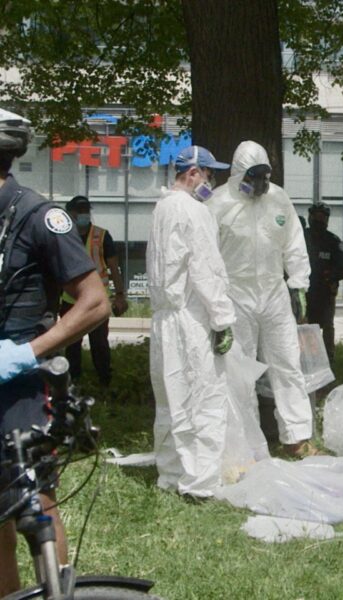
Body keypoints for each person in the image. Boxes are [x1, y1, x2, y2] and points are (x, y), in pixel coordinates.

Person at [0, 108, 110, 595]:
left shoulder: (39, 216)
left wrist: (24, 354)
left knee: (34, 501)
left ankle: (53, 593)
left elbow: (94, 302)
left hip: (20, 381)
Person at [207, 140, 317, 458]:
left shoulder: (278, 198)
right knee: (239, 372)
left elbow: (293, 242)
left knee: (287, 363)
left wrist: (298, 283)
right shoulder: (218, 204)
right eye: (252, 178)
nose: (259, 186)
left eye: (263, 178)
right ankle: (247, 443)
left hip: (273, 291)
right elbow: (207, 258)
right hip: (235, 293)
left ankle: (296, 437)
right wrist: (215, 305)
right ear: (238, 174)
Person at [147, 145, 236, 498]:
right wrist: (222, 319)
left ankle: (171, 474)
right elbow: (206, 270)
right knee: (204, 399)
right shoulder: (194, 212)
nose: (212, 182)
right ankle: (200, 483)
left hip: (164, 318)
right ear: (194, 173)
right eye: (210, 174)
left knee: (170, 398)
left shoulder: (162, 208)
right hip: (192, 316)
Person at [59, 195, 128, 385]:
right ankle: (73, 384)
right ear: (70, 213)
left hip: (97, 300)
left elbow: (114, 268)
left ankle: (105, 381)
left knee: (99, 344)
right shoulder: (63, 235)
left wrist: (120, 295)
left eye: (85, 210)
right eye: (79, 211)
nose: (83, 214)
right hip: (70, 300)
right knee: (71, 344)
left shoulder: (102, 236)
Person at [305, 201, 343, 361]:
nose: (318, 221)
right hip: (305, 292)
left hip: (325, 293)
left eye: (322, 217)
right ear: (310, 217)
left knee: (327, 326)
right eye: (315, 217)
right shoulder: (302, 237)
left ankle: (328, 358)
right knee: (306, 326)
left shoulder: (333, 241)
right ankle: (307, 357)